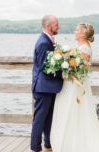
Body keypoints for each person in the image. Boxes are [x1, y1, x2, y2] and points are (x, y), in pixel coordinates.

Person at [50, 23, 99, 152]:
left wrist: (66, 70)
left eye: (77, 30)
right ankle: (69, 142)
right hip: (72, 84)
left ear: (83, 34)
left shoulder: (85, 49)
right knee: (70, 112)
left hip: (76, 86)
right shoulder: (80, 47)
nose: (74, 31)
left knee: (75, 112)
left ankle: (75, 144)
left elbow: (82, 70)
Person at [30, 15, 64, 152]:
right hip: (43, 87)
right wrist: (63, 73)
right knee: (39, 119)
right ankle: (35, 148)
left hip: (48, 87)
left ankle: (48, 145)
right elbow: (46, 69)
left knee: (48, 119)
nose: (58, 26)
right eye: (56, 24)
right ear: (49, 26)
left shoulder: (48, 40)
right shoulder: (44, 42)